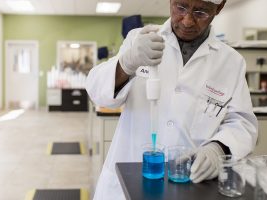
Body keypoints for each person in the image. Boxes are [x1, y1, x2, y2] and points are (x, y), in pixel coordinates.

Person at [86, 0, 258, 199]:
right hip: (126, 185)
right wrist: (127, 62)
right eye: (181, 7)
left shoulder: (231, 62)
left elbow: (243, 123)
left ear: (218, 8)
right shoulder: (139, 39)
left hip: (190, 184)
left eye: (200, 12)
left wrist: (218, 148)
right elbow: (97, 91)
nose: (187, 21)